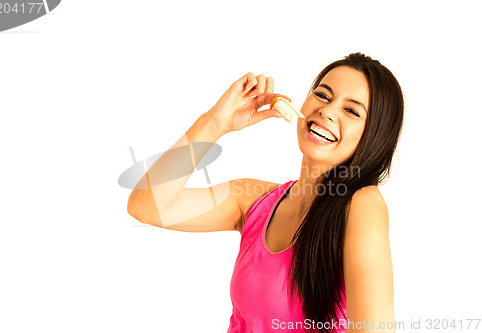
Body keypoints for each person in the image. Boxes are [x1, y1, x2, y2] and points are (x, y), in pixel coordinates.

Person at [127, 52, 404, 333]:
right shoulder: (252, 200)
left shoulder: (363, 204)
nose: (328, 111)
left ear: (374, 136)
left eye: (352, 111)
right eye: (323, 95)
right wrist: (215, 123)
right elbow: (146, 205)